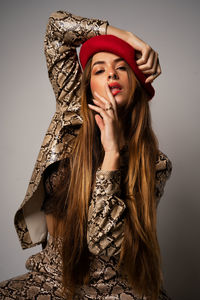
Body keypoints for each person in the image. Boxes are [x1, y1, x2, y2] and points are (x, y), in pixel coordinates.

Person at [0, 10, 172, 300]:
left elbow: (102, 242)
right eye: (100, 69)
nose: (112, 74)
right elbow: (56, 28)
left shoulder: (155, 163)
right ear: (88, 86)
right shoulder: (70, 116)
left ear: (137, 86)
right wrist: (126, 37)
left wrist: (113, 153)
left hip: (116, 288)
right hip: (51, 277)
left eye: (122, 67)